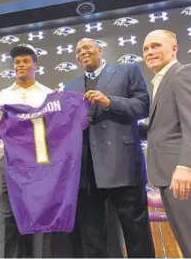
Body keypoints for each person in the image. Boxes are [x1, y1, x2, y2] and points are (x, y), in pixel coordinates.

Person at [65, 38, 155, 257]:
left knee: (136, 231)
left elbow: (143, 106)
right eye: (78, 51)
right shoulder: (71, 86)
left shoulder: (127, 71)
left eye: (87, 47)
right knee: (93, 235)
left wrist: (109, 102)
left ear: (100, 49)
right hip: (87, 171)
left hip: (122, 163)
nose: (82, 53)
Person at [0, 43, 53, 258]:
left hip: (39, 163)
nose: (21, 65)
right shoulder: (3, 96)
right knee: (7, 218)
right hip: (9, 162)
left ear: (35, 64)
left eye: (26, 61)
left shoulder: (48, 95)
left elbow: (54, 132)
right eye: (17, 62)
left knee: (40, 217)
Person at [143, 29, 191, 257]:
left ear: (174, 48)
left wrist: (186, 167)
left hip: (183, 178)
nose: (150, 52)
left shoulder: (183, 73)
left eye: (156, 46)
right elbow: (161, 130)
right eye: (146, 49)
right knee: (188, 244)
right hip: (168, 179)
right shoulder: (161, 81)